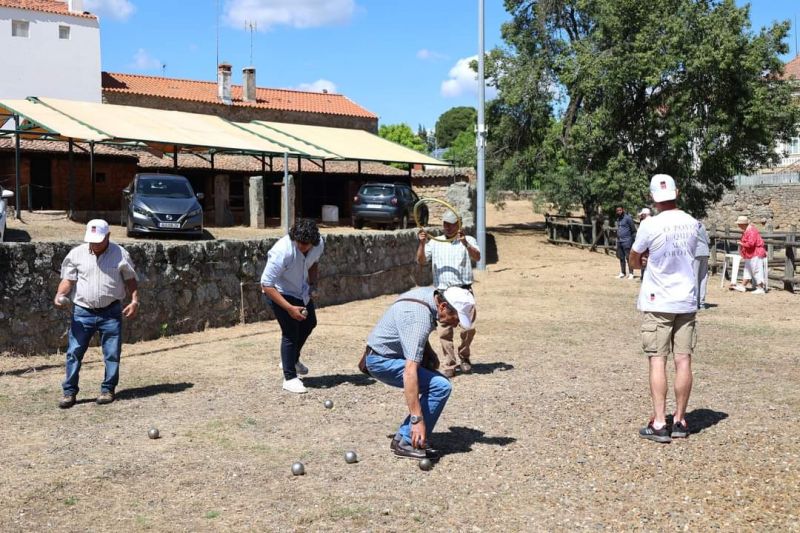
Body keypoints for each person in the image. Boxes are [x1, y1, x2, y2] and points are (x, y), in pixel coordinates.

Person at [364, 286, 475, 459]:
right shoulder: (419, 319)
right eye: (456, 318)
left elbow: (408, 331)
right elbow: (409, 373)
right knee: (441, 386)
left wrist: (428, 352)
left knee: (438, 382)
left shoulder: (428, 295)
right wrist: (417, 420)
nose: (456, 324)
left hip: (382, 355)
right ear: (443, 306)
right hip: (381, 361)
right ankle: (408, 440)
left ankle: (403, 436)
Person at [629, 174, 699, 443]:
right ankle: (680, 419)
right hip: (685, 298)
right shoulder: (693, 224)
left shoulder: (649, 225)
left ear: (652, 197)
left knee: (658, 359)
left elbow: (634, 260)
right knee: (683, 359)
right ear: (676, 192)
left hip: (659, 299)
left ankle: (659, 422)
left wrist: (644, 259)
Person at [54, 219, 139, 409]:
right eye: (91, 240)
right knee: (74, 353)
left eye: (99, 240)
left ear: (108, 236)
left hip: (111, 312)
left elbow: (131, 280)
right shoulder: (76, 254)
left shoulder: (120, 254)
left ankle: (108, 389)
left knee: (112, 354)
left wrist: (134, 301)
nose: (94, 244)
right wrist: (60, 294)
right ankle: (69, 393)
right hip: (82, 312)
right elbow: (68, 280)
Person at [260, 218, 324, 394]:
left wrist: (313, 285)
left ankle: (292, 360)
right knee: (290, 332)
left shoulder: (318, 245)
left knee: (309, 322)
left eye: (306, 243)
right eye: (299, 242)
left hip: (301, 291)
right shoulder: (282, 251)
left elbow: (313, 262)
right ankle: (289, 378)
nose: (302, 246)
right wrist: (289, 308)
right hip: (279, 293)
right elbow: (266, 285)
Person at [416, 210, 480, 378]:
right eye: (445, 224)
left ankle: (464, 357)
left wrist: (465, 243)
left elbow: (478, 257)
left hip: (463, 291)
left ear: (459, 225)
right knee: (444, 331)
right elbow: (421, 261)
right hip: (443, 293)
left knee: (468, 328)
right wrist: (422, 244)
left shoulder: (468, 240)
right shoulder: (435, 242)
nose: (448, 227)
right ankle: (449, 364)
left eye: (452, 224)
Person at [732, 215, 767, 295]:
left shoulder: (751, 231)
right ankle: (743, 285)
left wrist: (741, 243)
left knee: (757, 270)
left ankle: (761, 288)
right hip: (750, 253)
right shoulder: (747, 230)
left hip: (756, 253)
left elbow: (751, 244)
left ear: (743, 224)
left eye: (739, 224)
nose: (738, 225)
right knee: (747, 269)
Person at [615, 206, 636, 279]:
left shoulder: (628, 218)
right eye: (617, 210)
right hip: (619, 241)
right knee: (621, 257)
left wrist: (632, 241)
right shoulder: (618, 219)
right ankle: (622, 272)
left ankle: (631, 273)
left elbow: (633, 230)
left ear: (623, 210)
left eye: (620, 210)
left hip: (627, 241)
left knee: (628, 257)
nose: (619, 212)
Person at [694, 222, 711, 309]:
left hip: (696, 253)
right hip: (705, 251)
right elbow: (708, 240)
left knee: (695, 277)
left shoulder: (690, 226)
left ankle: (696, 302)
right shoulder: (703, 225)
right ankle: (702, 302)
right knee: (703, 278)